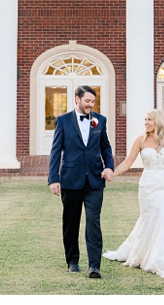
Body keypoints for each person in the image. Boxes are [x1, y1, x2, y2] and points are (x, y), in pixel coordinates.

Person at [103, 109, 164, 278]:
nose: (146, 122)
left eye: (149, 119)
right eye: (145, 119)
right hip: (148, 186)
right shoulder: (141, 140)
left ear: (158, 121)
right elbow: (128, 162)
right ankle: (147, 254)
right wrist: (113, 173)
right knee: (151, 218)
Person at [47, 85, 115, 279]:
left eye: (92, 101)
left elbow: (106, 148)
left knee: (94, 222)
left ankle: (94, 265)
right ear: (76, 99)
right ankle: (72, 261)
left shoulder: (100, 121)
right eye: (87, 101)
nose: (90, 105)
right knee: (71, 222)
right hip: (70, 180)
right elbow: (55, 151)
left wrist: (109, 167)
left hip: (94, 180)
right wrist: (54, 179)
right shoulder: (62, 121)